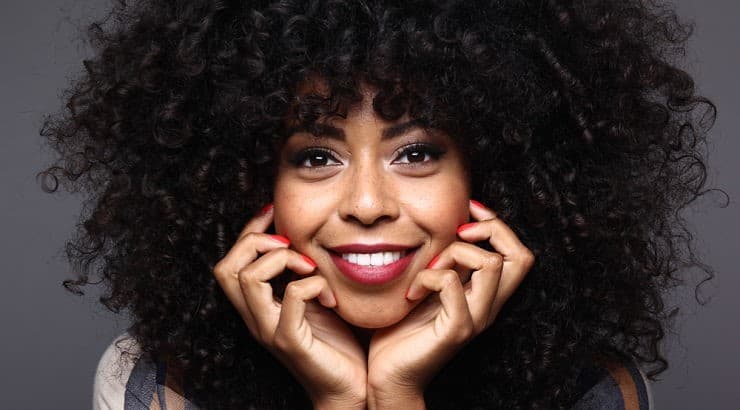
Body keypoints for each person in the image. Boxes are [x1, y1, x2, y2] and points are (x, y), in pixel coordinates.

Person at [40, 0, 715, 408]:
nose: (367, 204)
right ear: (249, 188)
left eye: (416, 153)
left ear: (494, 180)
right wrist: (339, 398)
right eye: (316, 156)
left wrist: (395, 396)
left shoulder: (590, 390)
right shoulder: (156, 385)